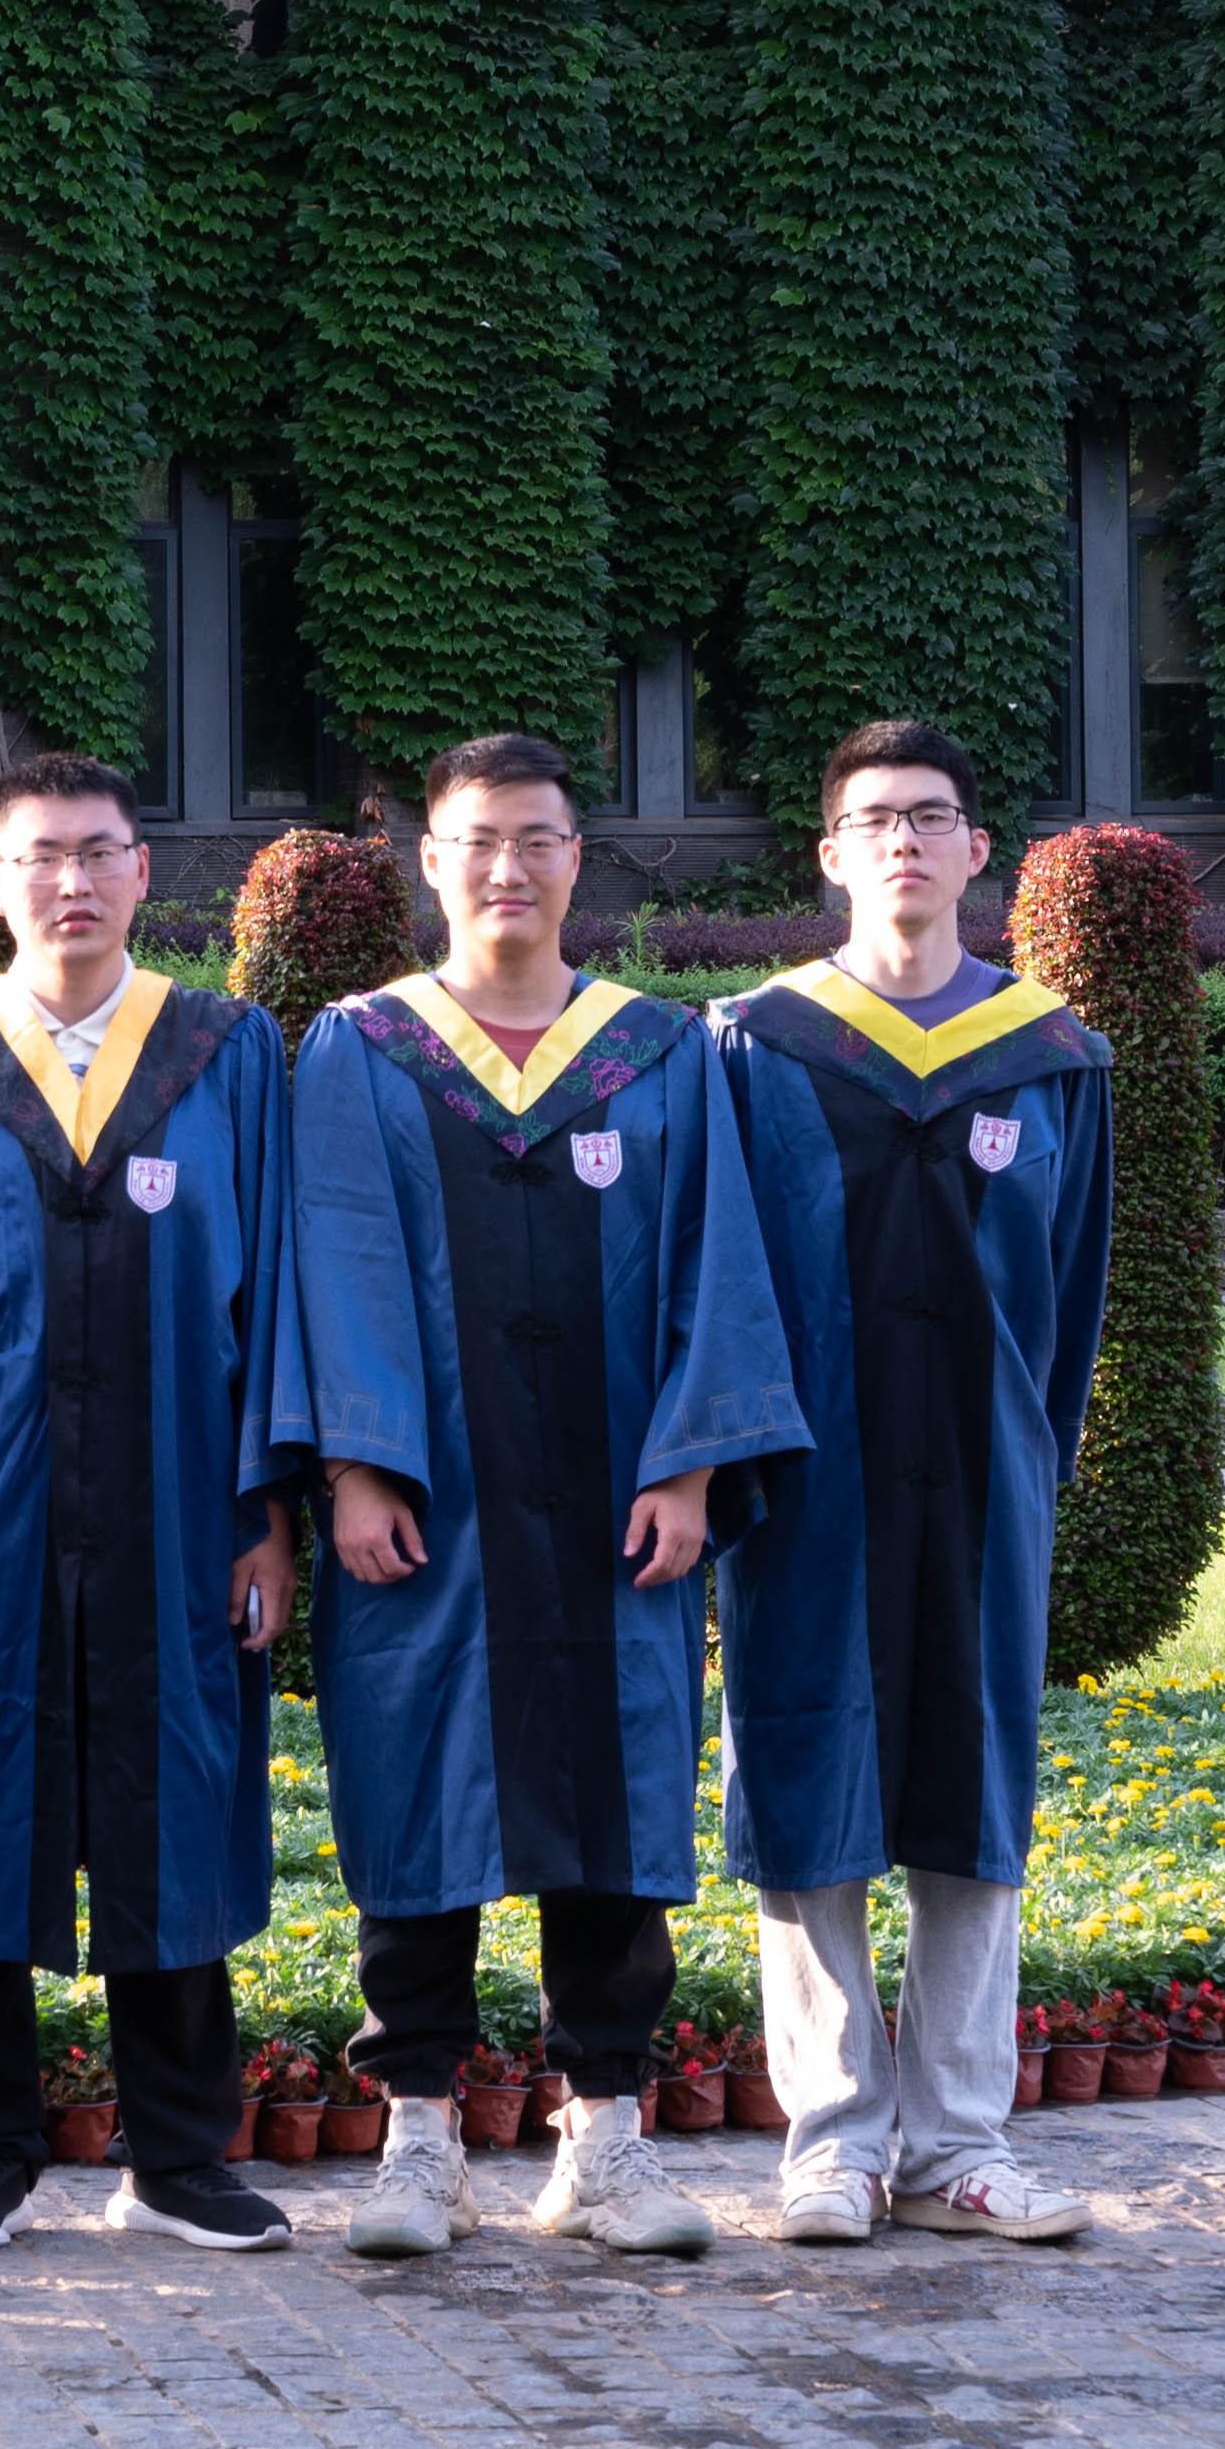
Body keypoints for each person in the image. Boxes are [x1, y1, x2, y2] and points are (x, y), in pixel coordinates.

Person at [282, 731, 801, 2263]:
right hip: (428, 1499)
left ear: (578, 860)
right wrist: (355, 1465)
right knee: (415, 1785)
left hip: (612, 1498)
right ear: (430, 864)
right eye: (478, 841)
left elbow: (714, 1261)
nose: (507, 867)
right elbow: (336, 1258)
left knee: (614, 1796)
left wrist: (691, 1465)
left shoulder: (659, 1055)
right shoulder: (361, 1050)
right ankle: (420, 2145)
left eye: (537, 839)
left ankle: (606, 2144)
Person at [0, 753, 296, 2259]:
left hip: (182, 1500)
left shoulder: (226, 1052)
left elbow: (276, 1299)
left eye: (101, 852)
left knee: (173, 1799)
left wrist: (267, 1512)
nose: (72, 881)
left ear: (142, 872)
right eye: (40, 856)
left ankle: (178, 2156)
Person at [711, 718, 1114, 2250]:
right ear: (831, 854)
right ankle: (829, 2143)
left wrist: (1031, 1459)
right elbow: (716, 1280)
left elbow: (1071, 1298)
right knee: (805, 1769)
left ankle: (956, 2145)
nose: (903, 840)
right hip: (804, 1475)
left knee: (971, 1784)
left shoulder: (1054, 1058)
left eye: (931, 816)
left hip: (984, 1477)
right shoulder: (754, 1048)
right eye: (875, 818)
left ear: (976, 850)